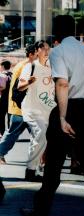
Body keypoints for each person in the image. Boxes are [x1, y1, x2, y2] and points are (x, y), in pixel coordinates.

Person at [20, 15, 84, 216]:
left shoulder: (58, 51)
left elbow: (62, 83)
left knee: (53, 167)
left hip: (69, 109)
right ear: (74, 29)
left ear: (56, 32)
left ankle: (41, 213)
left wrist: (62, 117)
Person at [0, 45, 41, 184]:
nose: (39, 55)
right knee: (35, 136)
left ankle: (36, 165)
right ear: (31, 54)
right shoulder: (27, 66)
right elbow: (22, 88)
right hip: (21, 109)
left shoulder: (23, 65)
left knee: (16, 135)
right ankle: (34, 167)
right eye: (37, 53)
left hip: (20, 108)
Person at [17, 40, 54, 175]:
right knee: (41, 133)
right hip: (32, 109)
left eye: (48, 49)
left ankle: (37, 167)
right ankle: (31, 169)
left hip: (48, 110)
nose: (46, 51)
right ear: (37, 50)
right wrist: (29, 82)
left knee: (40, 139)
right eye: (43, 49)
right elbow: (20, 87)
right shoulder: (30, 67)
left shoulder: (52, 67)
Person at [0, 60, 12, 136]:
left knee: (1, 116)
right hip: (11, 98)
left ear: (3, 66)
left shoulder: (2, 75)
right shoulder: (13, 74)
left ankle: (2, 133)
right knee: (10, 117)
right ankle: (10, 133)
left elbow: (3, 87)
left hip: (3, 98)